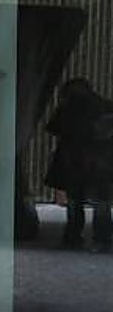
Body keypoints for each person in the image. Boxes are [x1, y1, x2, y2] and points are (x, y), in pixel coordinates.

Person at [45, 77, 113, 252]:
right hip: (100, 162)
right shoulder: (105, 106)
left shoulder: (67, 109)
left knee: (75, 202)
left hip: (73, 161)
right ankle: (103, 239)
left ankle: (73, 237)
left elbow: (53, 128)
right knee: (101, 202)